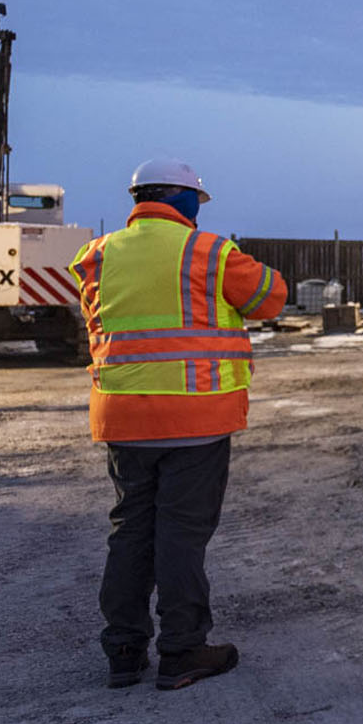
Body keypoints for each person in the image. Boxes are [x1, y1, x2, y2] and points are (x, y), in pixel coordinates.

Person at [71, 160, 287, 692]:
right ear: (181, 199)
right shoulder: (208, 252)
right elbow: (270, 298)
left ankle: (123, 650)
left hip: (122, 416)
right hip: (195, 417)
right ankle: (183, 648)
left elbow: (98, 318)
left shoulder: (98, 255)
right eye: (198, 200)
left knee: (130, 532)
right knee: (181, 536)